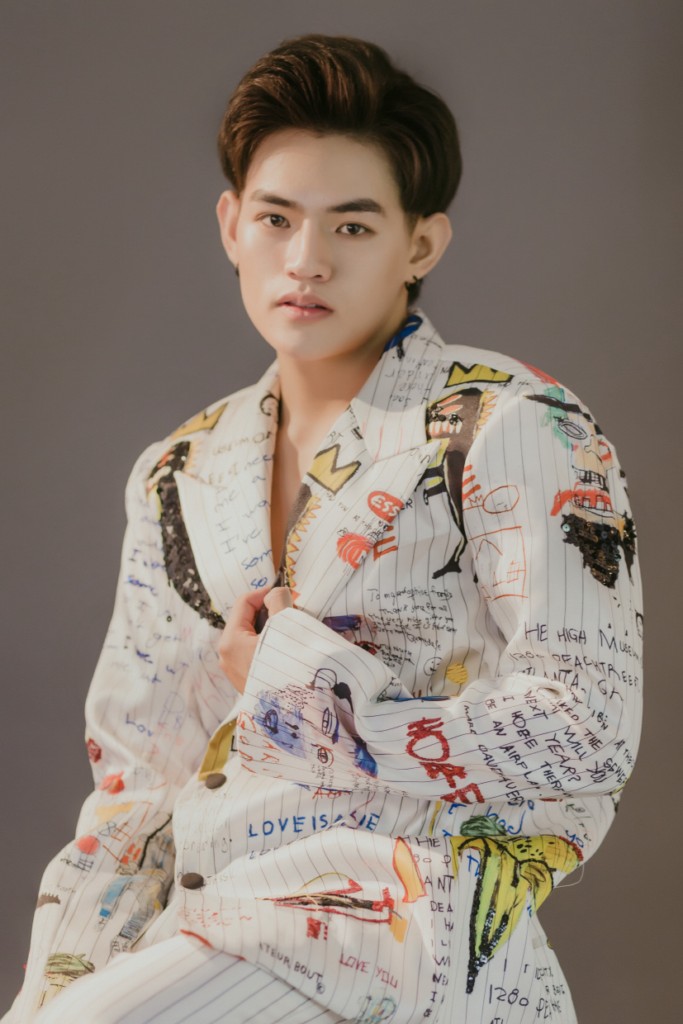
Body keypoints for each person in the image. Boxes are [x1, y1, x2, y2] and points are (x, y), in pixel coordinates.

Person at [5, 34, 643, 1024]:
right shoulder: (179, 473)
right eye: (276, 219)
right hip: (208, 935)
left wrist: (309, 706)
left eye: (351, 225)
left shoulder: (512, 424)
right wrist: (51, 991)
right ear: (232, 225)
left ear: (419, 245)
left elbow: (585, 731)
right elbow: (134, 795)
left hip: (403, 938)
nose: (304, 260)